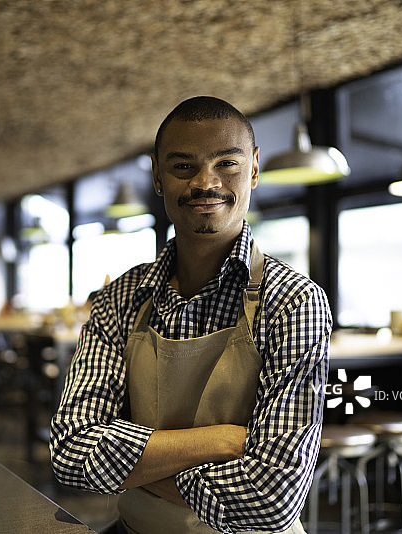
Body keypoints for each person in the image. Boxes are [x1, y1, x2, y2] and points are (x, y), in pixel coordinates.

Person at [49, 96, 331, 533]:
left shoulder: (293, 301)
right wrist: (222, 440)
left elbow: (272, 499)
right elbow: (71, 453)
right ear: (157, 176)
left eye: (227, 164)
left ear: (254, 168)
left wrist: (135, 469)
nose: (205, 182)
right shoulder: (120, 299)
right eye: (183, 166)